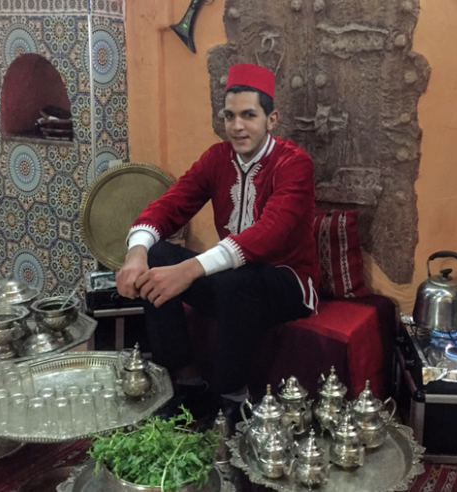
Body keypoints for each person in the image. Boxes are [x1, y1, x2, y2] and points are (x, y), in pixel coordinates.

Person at [115, 63, 319, 425]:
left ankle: (232, 397)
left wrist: (191, 269)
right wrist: (137, 252)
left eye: (248, 115)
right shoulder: (216, 159)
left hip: (286, 284)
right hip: (232, 285)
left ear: (272, 119)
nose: (237, 126)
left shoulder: (294, 163)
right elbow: (171, 204)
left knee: (234, 278)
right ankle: (186, 380)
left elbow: (271, 231)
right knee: (159, 254)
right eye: (229, 115)